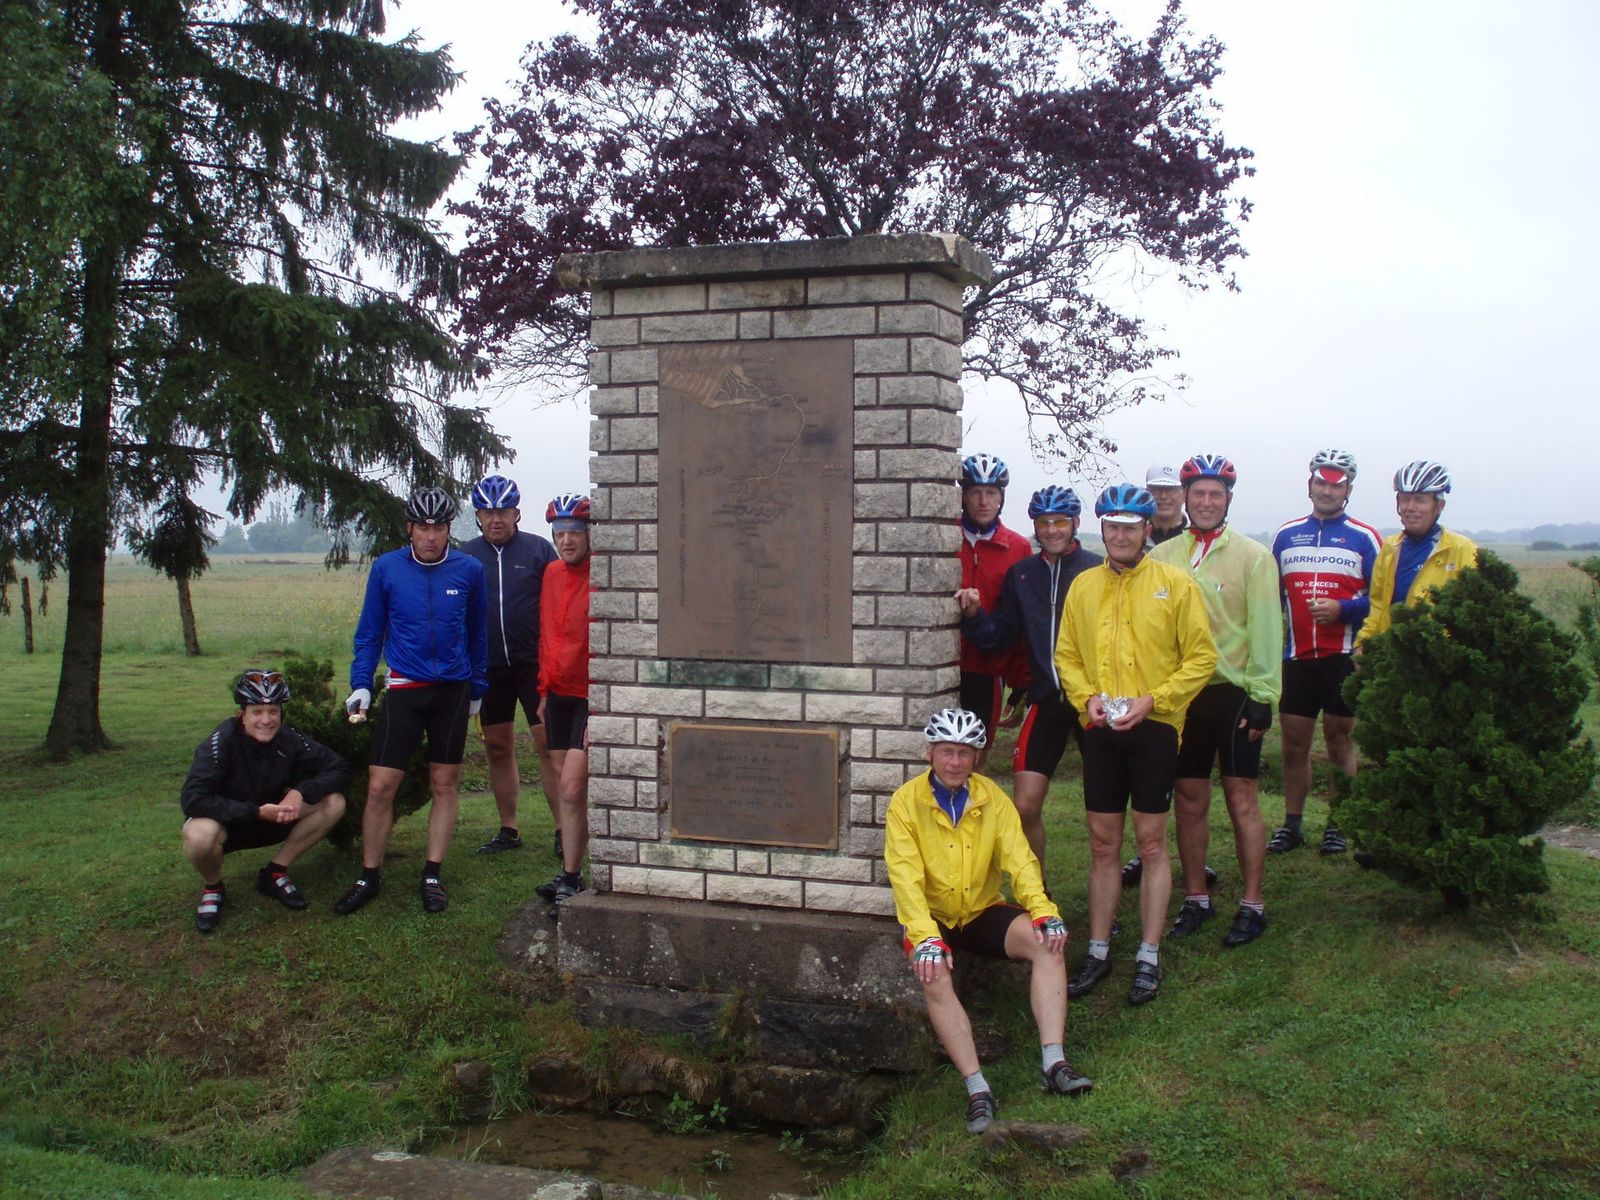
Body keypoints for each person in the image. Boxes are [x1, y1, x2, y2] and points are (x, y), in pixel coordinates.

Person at [884, 708, 1092, 1135]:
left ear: (976, 757)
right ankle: (977, 1089)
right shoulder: (905, 802)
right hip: (933, 918)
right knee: (933, 974)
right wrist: (924, 938)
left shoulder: (991, 796)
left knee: (1047, 943)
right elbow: (905, 877)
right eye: (947, 751)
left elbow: (1020, 859)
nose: (955, 761)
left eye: (965, 753)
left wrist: (1043, 909)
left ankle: (1054, 1063)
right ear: (930, 752)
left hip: (980, 909)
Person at [1055, 484, 1216, 1005]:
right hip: (1102, 727)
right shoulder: (1083, 586)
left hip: (1155, 727)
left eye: (1130, 527)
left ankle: (1149, 953)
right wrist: (1085, 698)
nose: (1120, 535)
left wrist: (1155, 700)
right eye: (1112, 526)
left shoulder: (1175, 584)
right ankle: (1098, 950)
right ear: (1101, 529)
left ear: (1147, 529)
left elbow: (1201, 657)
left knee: (1150, 843)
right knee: (1103, 845)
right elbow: (1066, 655)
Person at [1149, 455, 1282, 948]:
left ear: (1228, 499)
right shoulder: (1163, 557)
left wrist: (1263, 695)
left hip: (1234, 694)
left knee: (1241, 797)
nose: (1206, 502)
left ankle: (1253, 903)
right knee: (1188, 798)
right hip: (1183, 695)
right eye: (1198, 493)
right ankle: (1196, 897)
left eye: (1215, 494)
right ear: (1185, 497)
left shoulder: (1253, 557)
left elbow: (1266, 628)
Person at [339, 486, 488, 915]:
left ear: (448, 530)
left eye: (439, 528)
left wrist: (478, 688)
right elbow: (370, 632)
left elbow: (478, 634)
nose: (431, 536)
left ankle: (433, 873)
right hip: (405, 688)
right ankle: (369, 875)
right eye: (423, 527)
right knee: (380, 785)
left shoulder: (468, 570)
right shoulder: (387, 568)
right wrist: (361, 684)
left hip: (452, 690)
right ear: (410, 528)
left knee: (445, 783)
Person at [957, 485, 1101, 868]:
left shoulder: (1096, 570)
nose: (1051, 530)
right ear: (1034, 526)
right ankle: (1039, 892)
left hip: (1094, 703)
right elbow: (1002, 635)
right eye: (1043, 522)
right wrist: (974, 617)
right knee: (1024, 806)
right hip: (1047, 701)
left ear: (1075, 523)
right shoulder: (1022, 574)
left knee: (1103, 813)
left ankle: (1107, 888)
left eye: (1060, 522)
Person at [1269, 449, 1383, 855]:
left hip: (1344, 655)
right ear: (1310, 485)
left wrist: (1343, 609)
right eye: (1321, 482)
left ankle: (1339, 824)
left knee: (1339, 741)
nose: (1328, 491)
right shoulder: (1285, 536)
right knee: (1294, 743)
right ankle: (1292, 824)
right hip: (1297, 655)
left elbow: (1382, 598)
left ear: (1348, 490)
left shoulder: (1365, 538)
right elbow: (1269, 597)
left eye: (1337, 485)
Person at [180, 669, 349, 933]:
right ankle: (213, 887)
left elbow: (338, 767)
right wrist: (255, 812)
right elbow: (193, 800)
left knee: (334, 802)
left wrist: (301, 792)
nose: (266, 720)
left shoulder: (288, 738)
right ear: (242, 714)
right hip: (228, 824)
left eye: (273, 712)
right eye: (257, 712)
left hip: (274, 817)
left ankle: (275, 872)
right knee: (198, 835)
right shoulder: (220, 742)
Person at [459, 474, 561, 858]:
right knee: (498, 748)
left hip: (534, 665)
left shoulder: (538, 550)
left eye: (503, 511)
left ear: (517, 513)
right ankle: (509, 829)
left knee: (547, 745)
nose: (495, 519)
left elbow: (559, 602)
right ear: (478, 516)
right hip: (489, 669)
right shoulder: (466, 557)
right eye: (487, 512)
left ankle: (562, 828)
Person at [534, 494, 595, 909]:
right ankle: (571, 873)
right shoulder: (552, 573)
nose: (566, 540)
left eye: (575, 531)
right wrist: (542, 690)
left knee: (572, 788)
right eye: (559, 533)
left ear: (589, 534)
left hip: (589, 696)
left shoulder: (602, 573)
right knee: (564, 784)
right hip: (556, 694)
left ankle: (573, 876)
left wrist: (602, 706)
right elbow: (546, 634)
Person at [1356, 460, 1478, 649]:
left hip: (1440, 657)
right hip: (1393, 655)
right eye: (1405, 499)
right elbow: (1378, 607)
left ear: (1439, 505)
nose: (1410, 507)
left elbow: (1473, 612)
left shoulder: (1462, 549)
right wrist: (1363, 643)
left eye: (1420, 500)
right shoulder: (1390, 548)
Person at [956, 453, 1032, 752]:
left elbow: (1022, 619)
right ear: (963, 495)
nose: (983, 501)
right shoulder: (944, 535)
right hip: (940, 662)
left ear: (1001, 498)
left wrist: (1020, 681)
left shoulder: (1018, 547)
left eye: (991, 493)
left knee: (976, 751)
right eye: (975, 492)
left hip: (988, 669)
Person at [1146, 463, 1188, 546]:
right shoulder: (1135, 538)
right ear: (1147, 492)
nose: (1163, 496)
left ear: (1184, 494)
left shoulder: (1197, 538)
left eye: (1171, 489)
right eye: (1156, 489)